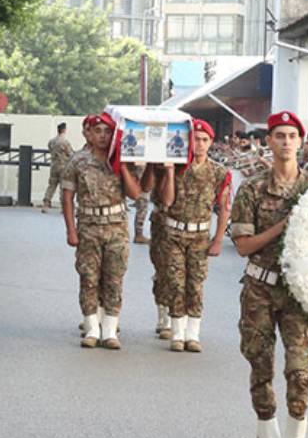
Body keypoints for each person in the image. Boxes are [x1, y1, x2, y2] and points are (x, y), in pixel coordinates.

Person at [230, 112, 308, 438]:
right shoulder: (251, 188)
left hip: (298, 290)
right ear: (269, 141)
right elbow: (244, 245)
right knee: (260, 363)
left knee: (300, 369)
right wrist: (285, 225)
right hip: (260, 287)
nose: (284, 142)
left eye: (291, 136)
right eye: (278, 136)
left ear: (301, 141)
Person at [150, 119, 230, 353]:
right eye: (196, 139)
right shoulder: (176, 166)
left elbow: (223, 207)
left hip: (200, 236)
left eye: (205, 140)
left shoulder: (218, 171)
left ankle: (192, 333)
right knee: (176, 282)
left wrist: (217, 240)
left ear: (211, 142)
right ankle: (177, 332)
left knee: (195, 284)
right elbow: (167, 200)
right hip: (174, 232)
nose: (200, 144)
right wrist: (170, 172)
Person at [61, 113, 140, 349]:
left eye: (107, 132)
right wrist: (71, 231)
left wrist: (123, 167)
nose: (103, 136)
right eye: (98, 131)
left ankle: (109, 330)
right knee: (89, 278)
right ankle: (92, 327)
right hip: (88, 227)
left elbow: (135, 194)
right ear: (90, 134)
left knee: (114, 278)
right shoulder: (78, 161)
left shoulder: (123, 160)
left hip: (116, 227)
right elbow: (67, 197)